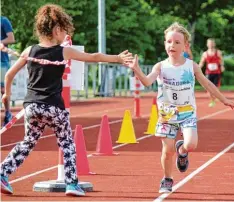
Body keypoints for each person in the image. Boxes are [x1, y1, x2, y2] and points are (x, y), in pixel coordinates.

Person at [0, 4, 133, 196]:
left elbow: (9, 74)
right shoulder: (64, 52)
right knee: (67, 143)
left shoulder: (29, 50)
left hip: (31, 107)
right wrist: (118, 59)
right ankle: (71, 184)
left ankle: (3, 173)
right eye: (65, 31)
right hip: (54, 108)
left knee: (28, 141)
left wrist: (7, 95)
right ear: (57, 30)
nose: (66, 35)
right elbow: (93, 57)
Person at [125, 22, 234, 193]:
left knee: (191, 144)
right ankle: (167, 179)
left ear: (185, 45)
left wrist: (224, 100)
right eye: (169, 41)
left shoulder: (191, 66)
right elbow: (147, 81)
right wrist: (137, 69)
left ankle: (182, 151)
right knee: (167, 150)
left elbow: (207, 84)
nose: (172, 45)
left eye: (177, 42)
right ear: (165, 44)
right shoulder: (160, 66)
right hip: (166, 115)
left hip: (187, 113)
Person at [199, 38, 225, 107]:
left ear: (214, 44)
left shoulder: (218, 52)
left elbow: (221, 60)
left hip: (217, 73)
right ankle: (212, 100)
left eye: (212, 43)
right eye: (209, 43)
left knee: (216, 88)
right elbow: (202, 62)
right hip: (208, 73)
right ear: (207, 44)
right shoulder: (205, 54)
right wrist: (198, 69)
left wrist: (222, 66)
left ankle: (215, 98)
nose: (210, 45)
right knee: (209, 87)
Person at [1, 16, 15, 126]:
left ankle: (7, 113)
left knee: (2, 89)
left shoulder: (3, 20)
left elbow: (11, 39)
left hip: (1, 61)